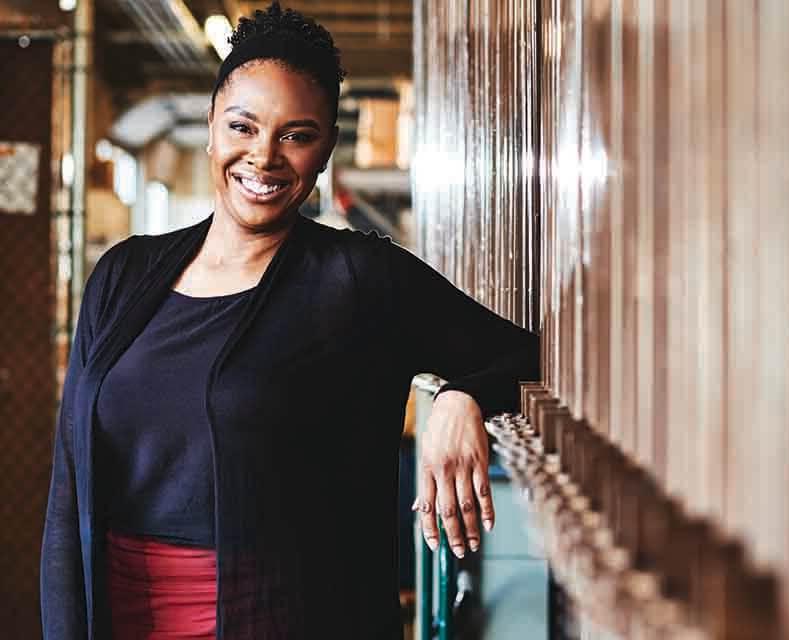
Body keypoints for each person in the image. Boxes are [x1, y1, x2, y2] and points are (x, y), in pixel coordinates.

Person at [39, 3, 539, 638]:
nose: (264, 158)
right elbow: (69, 489)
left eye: (296, 135)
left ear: (325, 148)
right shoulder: (122, 277)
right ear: (213, 124)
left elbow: (530, 354)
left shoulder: (356, 279)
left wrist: (461, 395)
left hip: (277, 616)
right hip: (114, 614)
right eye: (243, 127)